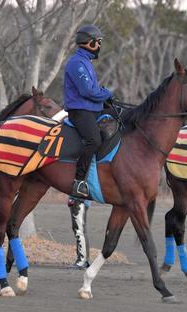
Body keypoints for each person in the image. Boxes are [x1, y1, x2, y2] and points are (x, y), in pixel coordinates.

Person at [63, 24, 113, 198]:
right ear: (90, 43)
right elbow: (87, 91)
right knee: (93, 140)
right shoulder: (77, 63)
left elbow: (92, 90)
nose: (100, 45)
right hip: (80, 111)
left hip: (90, 109)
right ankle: (78, 181)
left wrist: (105, 98)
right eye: (98, 42)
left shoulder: (86, 62)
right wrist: (106, 93)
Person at [67, 197, 91, 269]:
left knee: (79, 231)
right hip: (79, 201)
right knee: (80, 231)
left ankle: (82, 261)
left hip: (79, 201)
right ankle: (84, 260)